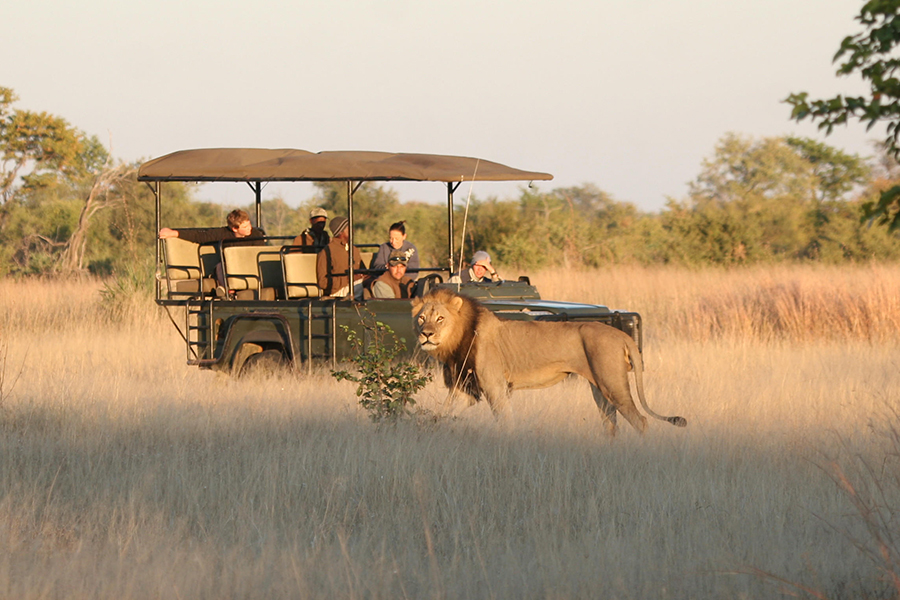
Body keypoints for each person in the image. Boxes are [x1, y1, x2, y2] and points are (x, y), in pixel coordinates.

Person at [317, 216, 366, 298]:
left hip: (356, 285)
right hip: (338, 292)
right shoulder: (327, 252)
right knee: (365, 286)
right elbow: (322, 282)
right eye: (349, 229)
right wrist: (348, 279)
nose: (353, 231)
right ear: (340, 232)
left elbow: (363, 271)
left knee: (375, 283)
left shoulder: (354, 249)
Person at [158, 209, 264, 245]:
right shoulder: (222, 234)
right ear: (234, 229)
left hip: (249, 267)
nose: (249, 228)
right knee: (219, 267)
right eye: (245, 227)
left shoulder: (256, 235)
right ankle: (227, 292)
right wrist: (174, 233)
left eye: (249, 224)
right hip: (229, 268)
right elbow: (199, 236)